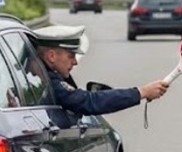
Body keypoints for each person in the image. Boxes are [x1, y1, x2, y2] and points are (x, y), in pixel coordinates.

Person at [29, 24, 168, 116]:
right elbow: (89, 102)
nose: (75, 62)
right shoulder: (49, 84)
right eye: (71, 55)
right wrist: (141, 92)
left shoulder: (31, 76)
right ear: (52, 56)